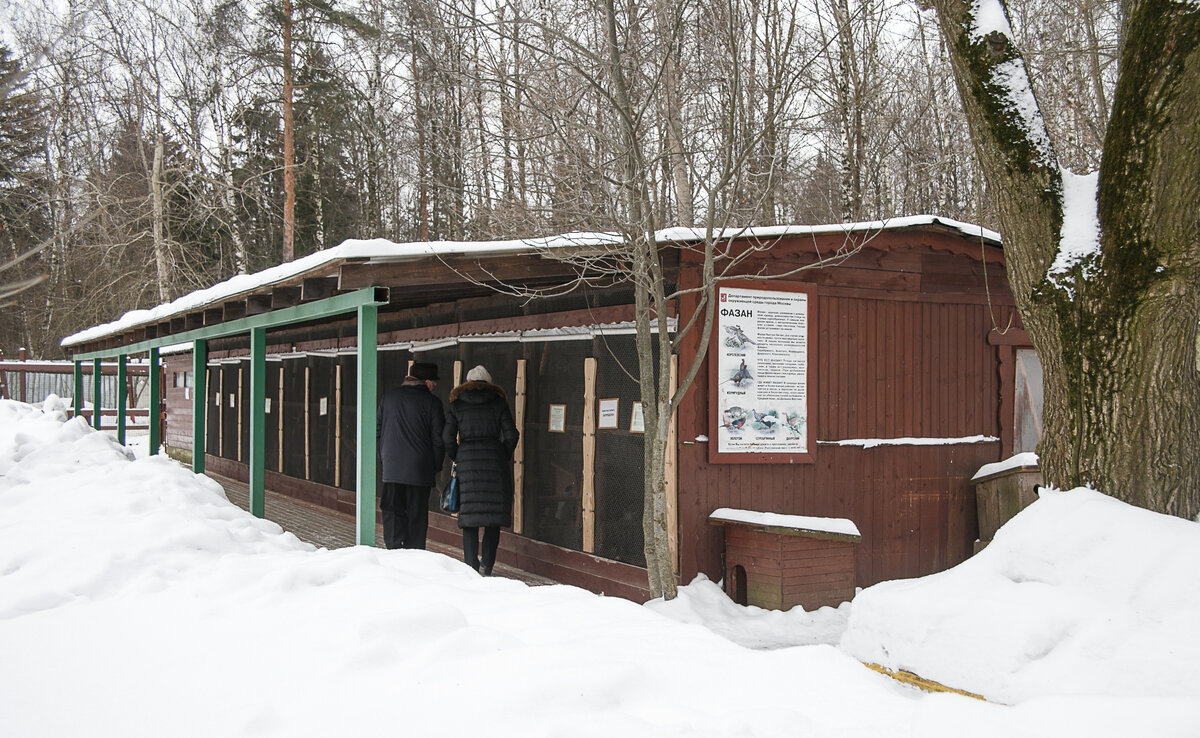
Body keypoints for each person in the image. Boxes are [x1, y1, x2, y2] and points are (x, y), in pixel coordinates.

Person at [443, 365, 519, 575]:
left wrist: (458, 455)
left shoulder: (457, 405)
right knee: (492, 517)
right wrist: (501, 454)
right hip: (494, 462)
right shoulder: (498, 403)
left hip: (466, 461)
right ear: (489, 383)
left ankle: (470, 566)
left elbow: (447, 437)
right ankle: (487, 564)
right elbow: (511, 435)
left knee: (469, 516)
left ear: (467, 384)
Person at [376, 361, 445, 550]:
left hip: (391, 467)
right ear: (428, 382)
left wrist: (384, 458)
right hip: (420, 469)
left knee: (392, 509)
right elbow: (439, 439)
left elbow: (378, 431)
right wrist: (436, 466)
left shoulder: (388, 398)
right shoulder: (433, 403)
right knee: (416, 514)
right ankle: (414, 554)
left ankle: (393, 547)